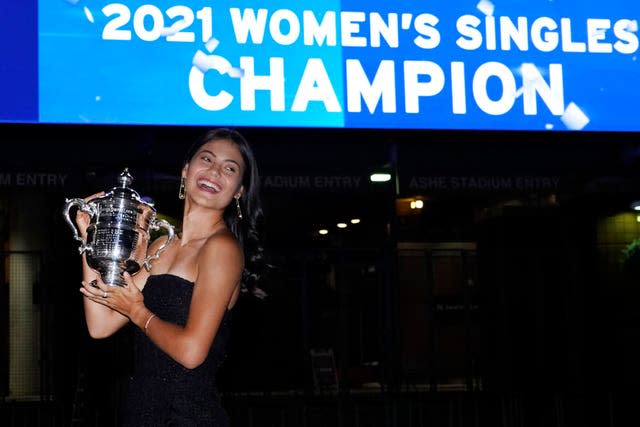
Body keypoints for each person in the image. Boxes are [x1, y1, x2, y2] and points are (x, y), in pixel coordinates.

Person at [76, 127, 266, 426]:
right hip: (144, 413)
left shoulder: (222, 248)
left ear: (239, 190)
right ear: (186, 170)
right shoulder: (162, 245)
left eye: (230, 168)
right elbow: (101, 324)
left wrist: (137, 310)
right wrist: (91, 238)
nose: (215, 171)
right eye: (207, 159)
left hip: (188, 417)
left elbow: (191, 353)